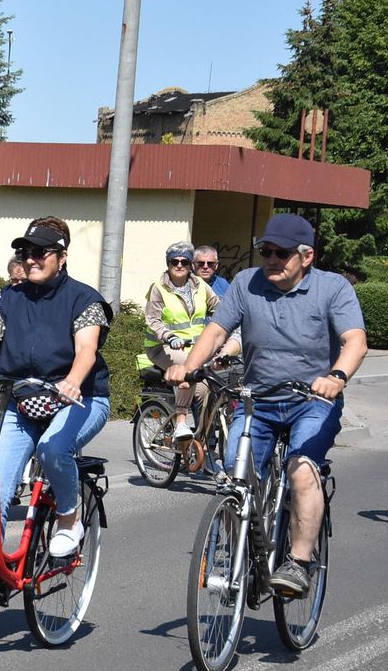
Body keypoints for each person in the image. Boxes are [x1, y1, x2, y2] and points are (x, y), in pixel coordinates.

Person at [169, 213, 367, 598]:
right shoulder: (247, 283)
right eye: (266, 252)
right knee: (234, 475)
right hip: (257, 401)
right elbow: (217, 331)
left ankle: (298, 563)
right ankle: (242, 553)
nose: (272, 259)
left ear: (306, 257)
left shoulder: (333, 288)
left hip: (313, 402)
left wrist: (336, 376)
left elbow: (355, 340)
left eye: (282, 253)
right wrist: (189, 368)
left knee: (301, 470)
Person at [0, 217, 113, 617]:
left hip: (79, 400)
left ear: (61, 257)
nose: (31, 259)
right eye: (25, 252)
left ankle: (68, 518)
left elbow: (86, 350)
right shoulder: (9, 298)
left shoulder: (84, 299)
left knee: (53, 448)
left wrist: (72, 382)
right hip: (23, 402)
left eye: (40, 252)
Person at [141, 241, 220, 441]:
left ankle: (202, 442)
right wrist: (169, 336)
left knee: (205, 389)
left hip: (194, 348)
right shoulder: (159, 287)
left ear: (190, 264)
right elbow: (153, 320)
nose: (179, 265)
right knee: (187, 369)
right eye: (173, 261)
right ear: (167, 264)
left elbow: (220, 309)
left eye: (184, 262)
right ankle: (181, 424)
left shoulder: (200, 285)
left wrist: (230, 327)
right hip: (162, 347)